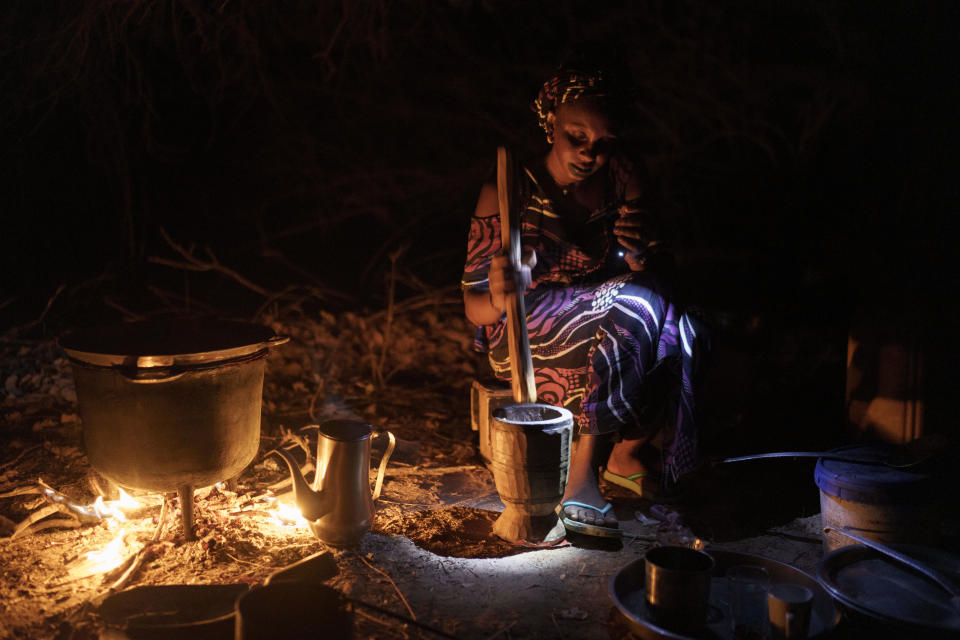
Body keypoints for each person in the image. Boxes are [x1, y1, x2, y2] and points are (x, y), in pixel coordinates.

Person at [461, 51, 708, 538]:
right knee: (638, 303)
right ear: (550, 121)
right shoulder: (510, 189)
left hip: (610, 307)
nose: (590, 154)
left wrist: (639, 251)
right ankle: (581, 478)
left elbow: (653, 268)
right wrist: (501, 290)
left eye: (603, 142)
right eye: (578, 137)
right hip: (528, 325)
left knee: (680, 318)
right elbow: (475, 306)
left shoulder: (622, 177)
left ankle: (626, 453)